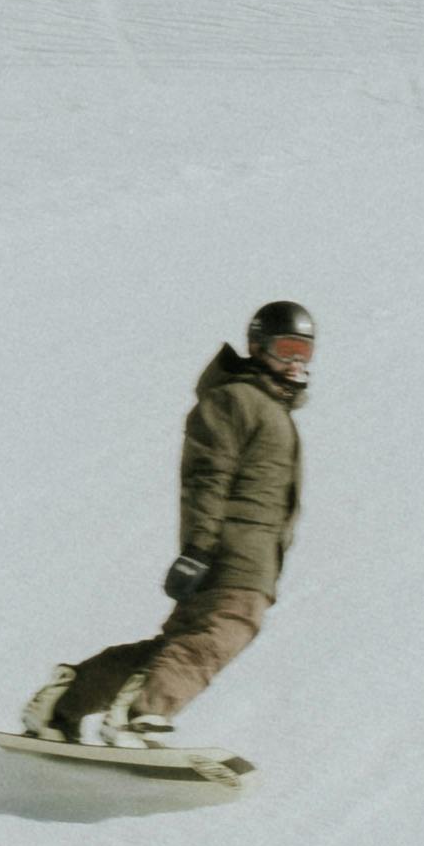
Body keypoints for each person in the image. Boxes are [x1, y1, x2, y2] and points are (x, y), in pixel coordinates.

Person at [24, 303, 315, 749]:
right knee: (222, 633)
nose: (296, 362)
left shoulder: (270, 410)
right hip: (231, 555)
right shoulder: (237, 400)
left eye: (304, 353)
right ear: (258, 348)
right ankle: (143, 715)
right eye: (286, 350)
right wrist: (198, 549)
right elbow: (207, 476)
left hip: (249, 558)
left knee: (178, 648)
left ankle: (65, 700)